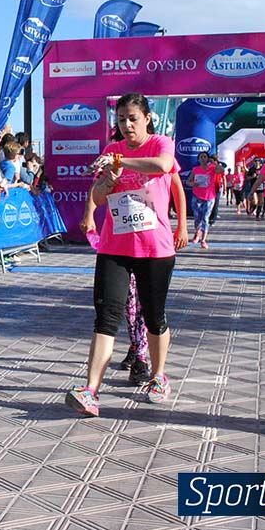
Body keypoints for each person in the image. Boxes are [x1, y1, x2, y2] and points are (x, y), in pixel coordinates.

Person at [67, 93, 186, 418]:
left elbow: (163, 167)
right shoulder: (111, 151)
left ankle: (159, 376)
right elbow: (99, 196)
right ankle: (91, 390)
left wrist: (120, 163)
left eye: (133, 118)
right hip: (115, 247)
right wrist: (110, 177)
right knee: (106, 317)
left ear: (147, 118)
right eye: (121, 120)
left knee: (154, 316)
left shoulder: (161, 143)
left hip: (155, 247)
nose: (127, 125)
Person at [186, 150, 223, 249]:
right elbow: (188, 182)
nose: (203, 158)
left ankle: (203, 240)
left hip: (209, 197)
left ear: (208, 159)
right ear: (198, 159)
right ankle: (197, 232)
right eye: (201, 157)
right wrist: (193, 184)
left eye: (205, 157)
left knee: (205, 218)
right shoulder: (195, 170)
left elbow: (222, 170)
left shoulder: (212, 168)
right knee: (197, 218)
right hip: (197, 196)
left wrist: (214, 162)